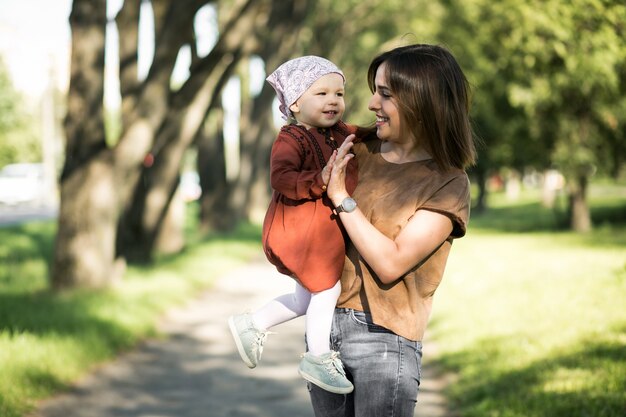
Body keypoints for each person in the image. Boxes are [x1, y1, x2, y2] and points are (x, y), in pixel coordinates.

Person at [307, 43, 477, 416]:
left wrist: (340, 196)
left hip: (384, 340)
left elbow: (391, 262)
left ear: (421, 101)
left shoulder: (448, 182)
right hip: (324, 331)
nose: (371, 103)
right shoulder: (358, 148)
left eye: (385, 94)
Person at [228, 56, 358, 394]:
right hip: (299, 231)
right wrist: (320, 179)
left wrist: (388, 130)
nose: (334, 101)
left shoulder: (338, 132)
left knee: (306, 298)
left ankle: (253, 323)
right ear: (296, 103)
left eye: (339, 94)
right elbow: (281, 177)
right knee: (327, 289)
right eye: (322, 94)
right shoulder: (292, 138)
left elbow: (363, 134)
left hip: (316, 233)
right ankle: (318, 356)